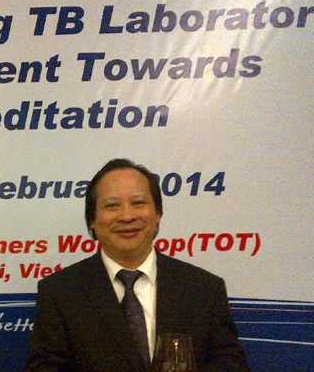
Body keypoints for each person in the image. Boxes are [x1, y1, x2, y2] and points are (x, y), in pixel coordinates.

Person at [26, 159, 250, 372]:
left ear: (158, 214)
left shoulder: (204, 289)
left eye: (138, 203)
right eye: (112, 205)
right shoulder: (60, 292)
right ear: (92, 220)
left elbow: (231, 363)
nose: (127, 216)